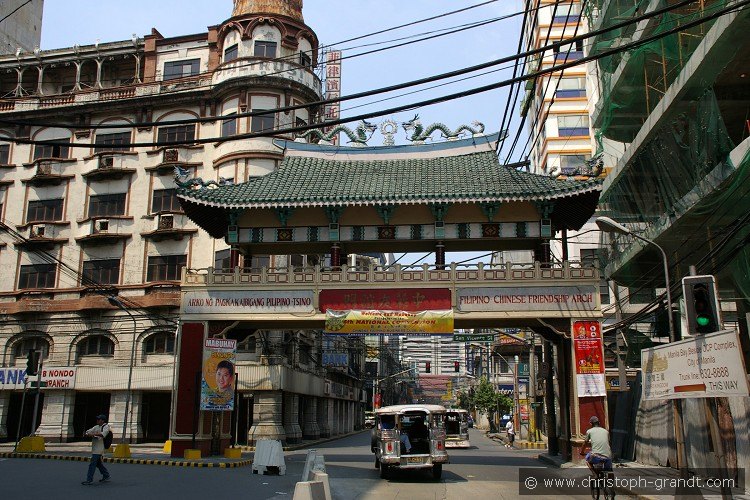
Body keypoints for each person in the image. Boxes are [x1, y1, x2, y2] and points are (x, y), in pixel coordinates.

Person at [82, 414, 111, 485]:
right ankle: (106, 475)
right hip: (95, 448)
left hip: (100, 449)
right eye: (97, 419)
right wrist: (88, 433)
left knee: (92, 464)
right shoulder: (96, 427)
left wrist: (94, 434)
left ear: (103, 420)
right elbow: (88, 431)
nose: (97, 420)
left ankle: (89, 479)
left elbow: (103, 434)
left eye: (99, 419)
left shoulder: (106, 427)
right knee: (98, 464)